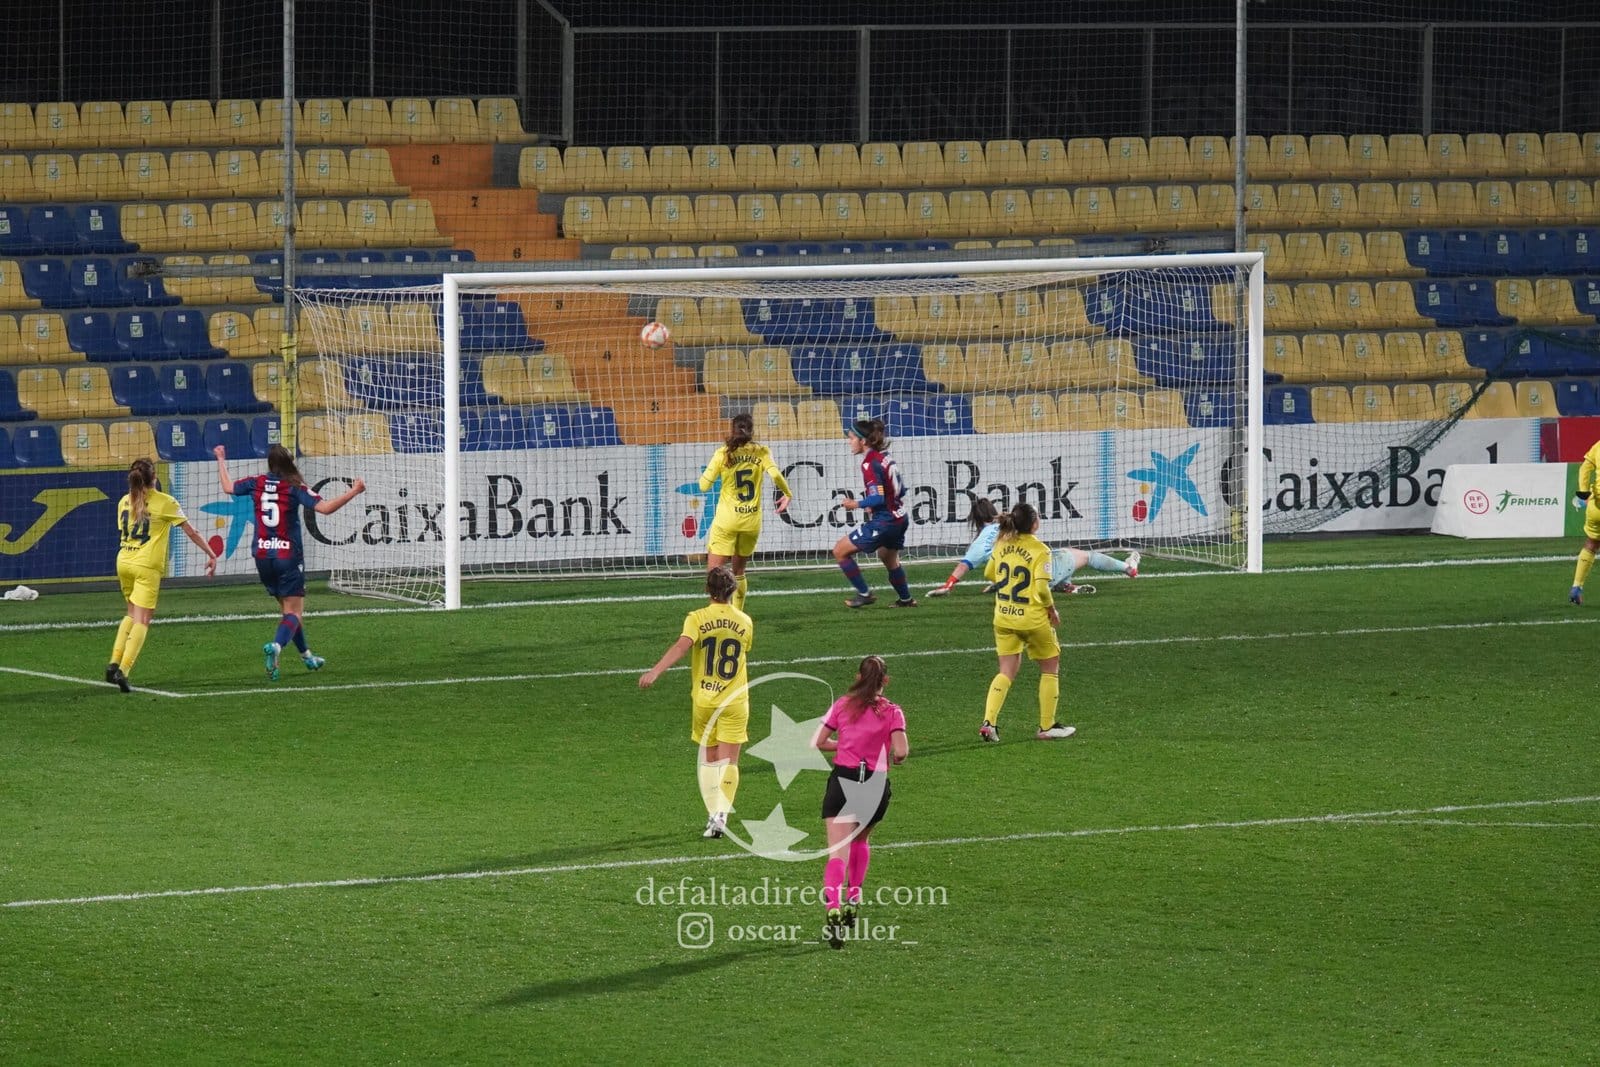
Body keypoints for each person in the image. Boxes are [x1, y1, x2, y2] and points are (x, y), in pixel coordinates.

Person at [215, 444, 365, 681]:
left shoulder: (257, 481)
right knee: (294, 612)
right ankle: (276, 646)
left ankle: (307, 657)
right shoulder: (294, 487)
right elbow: (325, 509)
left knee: (289, 613)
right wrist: (354, 491)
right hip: (287, 556)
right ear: (289, 462)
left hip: (263, 555)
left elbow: (227, 487)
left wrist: (221, 459)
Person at [639, 565, 753, 839]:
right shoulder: (746, 621)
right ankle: (721, 815)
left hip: (705, 700)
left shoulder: (697, 618)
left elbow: (682, 645)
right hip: (736, 700)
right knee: (730, 762)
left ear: (707, 590)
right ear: (733, 590)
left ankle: (714, 813)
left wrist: (655, 671)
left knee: (710, 760)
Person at [810, 654, 908, 949]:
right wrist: (891, 754)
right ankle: (854, 897)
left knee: (836, 852)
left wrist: (846, 745)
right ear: (885, 682)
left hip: (844, 780)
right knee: (861, 841)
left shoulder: (842, 705)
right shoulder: (893, 711)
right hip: (875, 785)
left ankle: (833, 909)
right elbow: (901, 751)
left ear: (857, 677)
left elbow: (818, 742)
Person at [107, 458, 218, 693]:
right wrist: (211, 553)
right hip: (146, 566)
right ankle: (123, 671)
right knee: (142, 620)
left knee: (131, 613)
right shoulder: (165, 502)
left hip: (124, 561)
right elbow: (192, 531)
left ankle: (113, 662)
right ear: (154, 477)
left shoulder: (124, 501)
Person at [977, 502, 1075, 743]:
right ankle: (1047, 725)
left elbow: (989, 573)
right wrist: (1052, 609)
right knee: (1050, 667)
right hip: (1031, 619)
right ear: (1034, 523)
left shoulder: (1002, 543)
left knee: (1006, 671)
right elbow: (1042, 588)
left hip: (1003, 617)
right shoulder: (1040, 549)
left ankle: (989, 723)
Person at [927, 497, 1140, 598]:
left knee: (1050, 563)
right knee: (1085, 556)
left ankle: (1064, 585)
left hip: (1013, 582)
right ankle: (1128, 568)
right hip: (1041, 570)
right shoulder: (1010, 526)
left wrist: (948, 585)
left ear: (975, 521)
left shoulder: (982, 542)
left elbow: (964, 566)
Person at [696, 412, 792, 612]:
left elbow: (704, 486)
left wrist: (712, 473)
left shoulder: (723, 453)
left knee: (714, 573)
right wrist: (787, 493)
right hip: (750, 522)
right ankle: (738, 613)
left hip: (727, 522)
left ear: (732, 430)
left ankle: (717, 614)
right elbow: (775, 474)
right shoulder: (762, 451)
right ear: (751, 431)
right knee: (739, 572)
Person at [833, 417, 916, 609]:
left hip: (885, 521)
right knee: (889, 558)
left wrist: (857, 504)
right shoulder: (885, 457)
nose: (849, 441)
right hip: (900, 518)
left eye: (852, 438)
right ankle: (906, 600)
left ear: (863, 441)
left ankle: (864, 594)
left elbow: (877, 498)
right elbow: (901, 490)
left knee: (840, 551)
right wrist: (880, 504)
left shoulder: (869, 464)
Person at [1571, 437, 1600, 605]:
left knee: (1592, 543)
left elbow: (1584, 468)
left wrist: (1583, 493)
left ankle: (1577, 587)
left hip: (1595, 507)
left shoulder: (1598, 445)